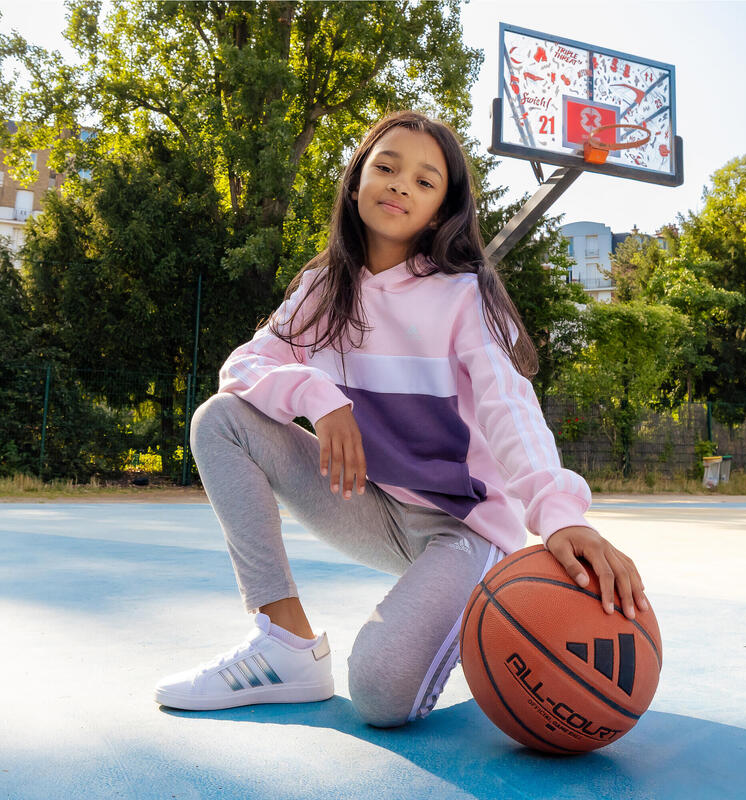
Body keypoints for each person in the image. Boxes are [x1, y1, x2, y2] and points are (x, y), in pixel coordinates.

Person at [154, 110, 649, 727]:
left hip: (461, 528)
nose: (399, 185)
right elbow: (243, 369)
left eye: (424, 180)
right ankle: (287, 646)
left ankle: (479, 611)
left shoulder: (464, 292)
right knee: (221, 419)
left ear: (442, 209)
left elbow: (508, 405)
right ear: (356, 179)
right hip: (372, 504)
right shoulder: (321, 288)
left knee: (382, 695)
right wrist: (317, 396)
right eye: (385, 167)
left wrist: (557, 514)